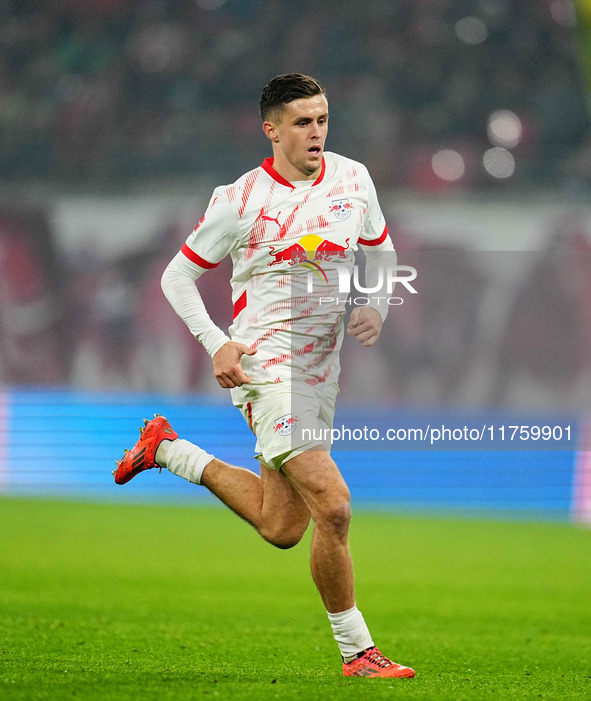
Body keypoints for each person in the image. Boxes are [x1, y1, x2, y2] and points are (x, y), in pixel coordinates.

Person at [113, 73, 415, 679]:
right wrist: (218, 342)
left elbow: (380, 250)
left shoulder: (354, 179)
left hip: (320, 372)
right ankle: (359, 653)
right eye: (302, 122)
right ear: (271, 129)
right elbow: (176, 277)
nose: (317, 133)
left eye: (323, 119)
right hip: (266, 368)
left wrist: (377, 304)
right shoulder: (241, 199)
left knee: (282, 527)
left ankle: (167, 451)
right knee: (334, 507)